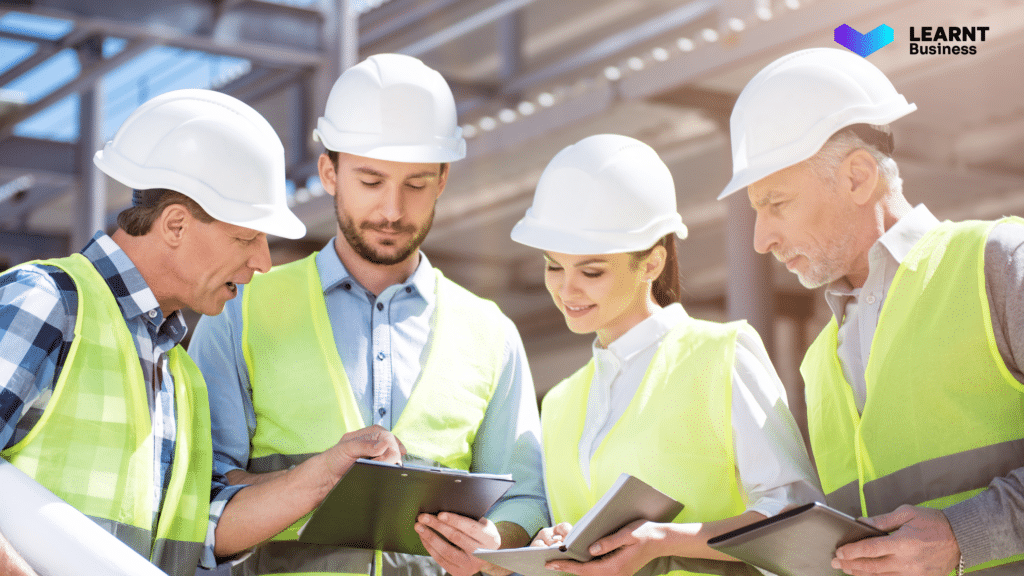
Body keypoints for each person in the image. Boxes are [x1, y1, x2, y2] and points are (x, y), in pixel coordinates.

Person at [0, 88, 404, 576]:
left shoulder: (181, 375)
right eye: (245, 238)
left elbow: (204, 531)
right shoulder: (48, 302)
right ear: (175, 225)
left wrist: (325, 475)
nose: (263, 262)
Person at [188, 53, 548, 576]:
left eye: (416, 185)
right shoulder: (242, 309)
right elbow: (202, 487)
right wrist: (312, 483)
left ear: (443, 180)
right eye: (371, 181)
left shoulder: (490, 332)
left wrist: (495, 538)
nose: (393, 211)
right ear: (329, 173)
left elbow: (526, 501)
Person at [718, 47, 1024, 576]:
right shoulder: (819, 359)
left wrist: (963, 535)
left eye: (776, 203)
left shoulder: (998, 262)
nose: (762, 238)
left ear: (857, 178)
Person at [509, 134, 822, 576]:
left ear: (652, 264)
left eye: (591, 270)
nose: (566, 289)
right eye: (553, 266)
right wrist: (557, 544)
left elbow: (796, 518)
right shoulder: (559, 403)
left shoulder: (721, 356)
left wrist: (663, 541)